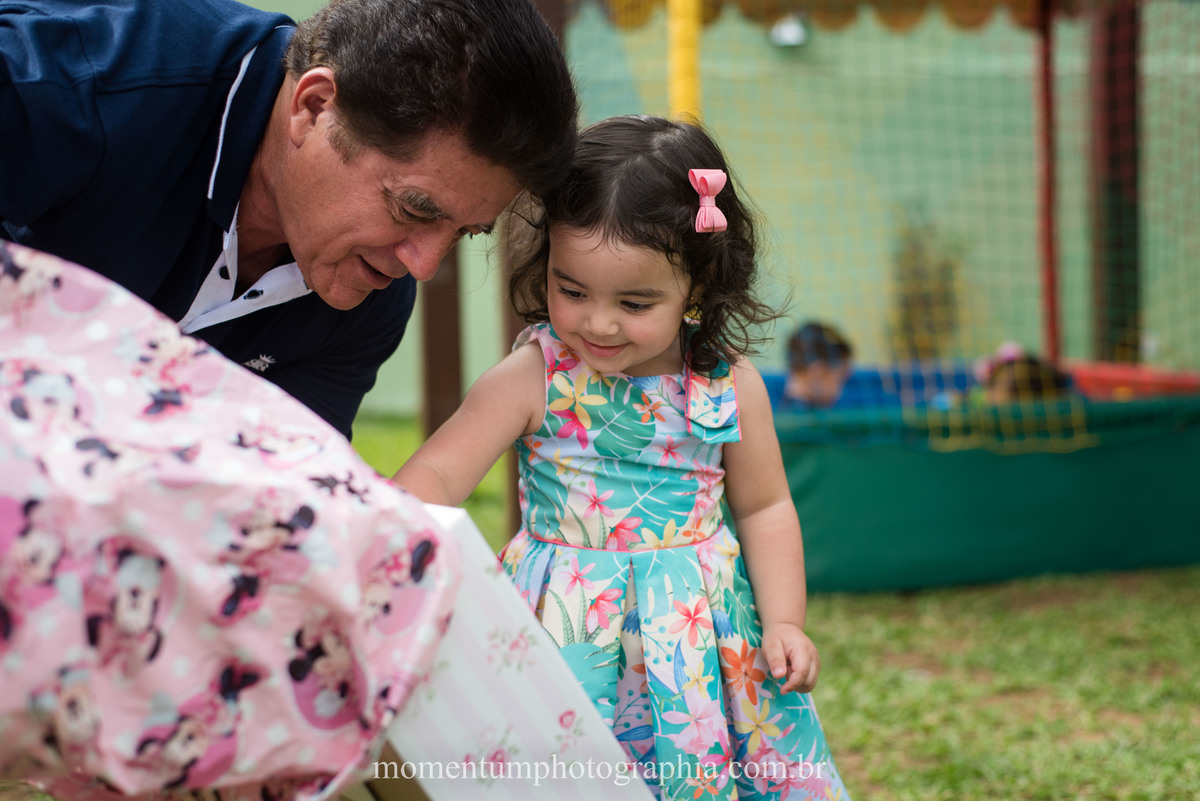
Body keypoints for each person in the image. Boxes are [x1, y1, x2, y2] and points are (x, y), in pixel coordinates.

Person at [392, 116, 852, 800]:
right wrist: (387, 539)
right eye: (571, 289)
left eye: (634, 302)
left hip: (700, 642)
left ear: (695, 288)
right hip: (563, 630)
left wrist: (784, 622)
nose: (598, 323)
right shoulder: (534, 377)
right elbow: (435, 474)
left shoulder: (728, 383)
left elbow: (766, 506)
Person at [0, 0, 578, 440]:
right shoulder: (68, 91)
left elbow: (270, 516)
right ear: (315, 107)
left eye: (464, 232)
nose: (423, 266)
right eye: (413, 208)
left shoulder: (366, 299)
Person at [783, 321, 854, 409]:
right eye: (842, 377)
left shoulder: (778, 412)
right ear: (819, 372)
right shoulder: (808, 419)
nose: (841, 391)